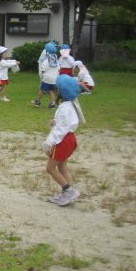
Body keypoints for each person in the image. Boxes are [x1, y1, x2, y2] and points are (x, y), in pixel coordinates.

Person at [43, 75, 85, 206]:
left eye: (57, 88)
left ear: (61, 91)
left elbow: (60, 130)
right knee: (61, 165)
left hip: (63, 140)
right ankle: (66, 194)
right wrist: (56, 122)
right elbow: (69, 122)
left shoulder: (64, 108)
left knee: (50, 168)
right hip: (71, 138)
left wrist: (48, 143)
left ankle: (68, 190)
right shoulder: (71, 104)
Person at [32, 42, 60, 109]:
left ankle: (38, 101)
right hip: (54, 79)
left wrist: (43, 73)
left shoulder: (46, 61)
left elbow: (43, 70)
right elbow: (59, 69)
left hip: (47, 79)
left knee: (42, 90)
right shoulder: (56, 61)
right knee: (51, 91)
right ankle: (53, 104)